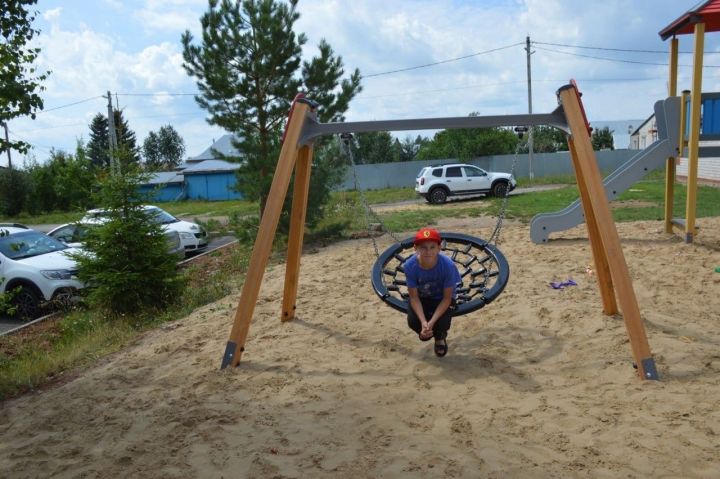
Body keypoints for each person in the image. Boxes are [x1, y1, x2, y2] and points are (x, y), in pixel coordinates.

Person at [404, 227, 461, 357]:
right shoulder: (409, 266)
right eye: (423, 247)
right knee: (413, 322)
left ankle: (439, 336)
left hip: (443, 298)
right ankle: (427, 331)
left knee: (442, 323)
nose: (428, 251)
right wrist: (424, 323)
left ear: (439, 248)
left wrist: (431, 322)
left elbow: (447, 298)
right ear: (415, 248)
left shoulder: (448, 266)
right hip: (422, 297)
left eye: (432, 247)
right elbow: (414, 298)